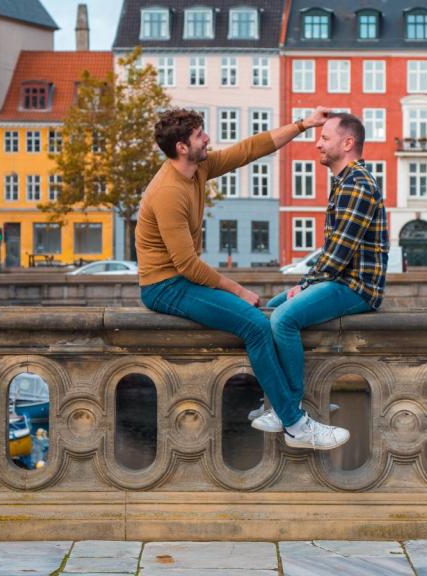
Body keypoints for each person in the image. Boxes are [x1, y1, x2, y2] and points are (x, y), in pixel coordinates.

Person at [137, 107, 350, 450]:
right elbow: (187, 265)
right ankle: (296, 426)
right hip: (165, 286)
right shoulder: (168, 191)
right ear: (181, 147)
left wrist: (302, 124)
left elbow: (250, 149)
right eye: (199, 135)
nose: (207, 139)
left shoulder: (198, 168)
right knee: (253, 324)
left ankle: (280, 407)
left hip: (179, 279)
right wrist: (237, 290)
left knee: (267, 320)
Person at [250, 112, 389, 434]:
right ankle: (279, 401)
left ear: (348, 143)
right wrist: (307, 284)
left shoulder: (357, 184)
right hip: (338, 280)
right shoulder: (344, 182)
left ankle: (291, 409)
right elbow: (333, 252)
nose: (317, 144)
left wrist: (307, 284)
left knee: (283, 319)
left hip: (356, 286)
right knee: (271, 307)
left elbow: (340, 252)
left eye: (325, 138)